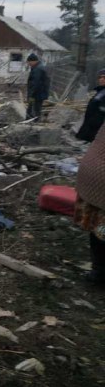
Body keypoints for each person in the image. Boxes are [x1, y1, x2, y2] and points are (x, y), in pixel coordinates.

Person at [75, 123, 105, 285]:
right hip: (100, 176)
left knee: (99, 227)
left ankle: (99, 270)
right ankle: (100, 272)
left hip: (92, 170)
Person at [76, 69, 105, 143]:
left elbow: (102, 112)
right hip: (90, 127)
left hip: (96, 130)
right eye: (100, 77)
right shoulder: (100, 92)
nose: (101, 79)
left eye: (104, 77)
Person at [26, 53, 49, 121]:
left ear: (33, 61)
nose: (28, 64)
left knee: (34, 109)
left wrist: (31, 95)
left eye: (29, 62)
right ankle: (30, 121)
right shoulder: (38, 67)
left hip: (36, 94)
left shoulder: (37, 69)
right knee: (34, 108)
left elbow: (36, 83)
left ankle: (33, 122)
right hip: (38, 94)